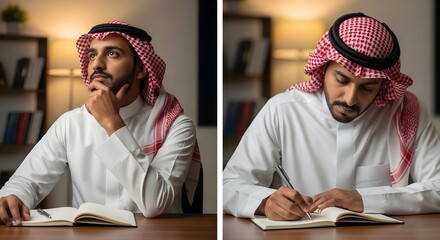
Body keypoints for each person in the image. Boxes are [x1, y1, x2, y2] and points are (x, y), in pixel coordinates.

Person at [223, 12, 440, 220]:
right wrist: (265, 202)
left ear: (383, 84)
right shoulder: (283, 110)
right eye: (342, 80)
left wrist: (365, 199)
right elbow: (228, 185)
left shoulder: (406, 113)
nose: (350, 99)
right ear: (324, 67)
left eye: (367, 88)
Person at [0, 20, 201, 226]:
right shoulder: (71, 123)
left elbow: (155, 203)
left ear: (141, 68)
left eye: (112, 53)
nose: (97, 64)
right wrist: (13, 196)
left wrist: (113, 123)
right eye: (92, 55)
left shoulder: (176, 126)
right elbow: (27, 180)